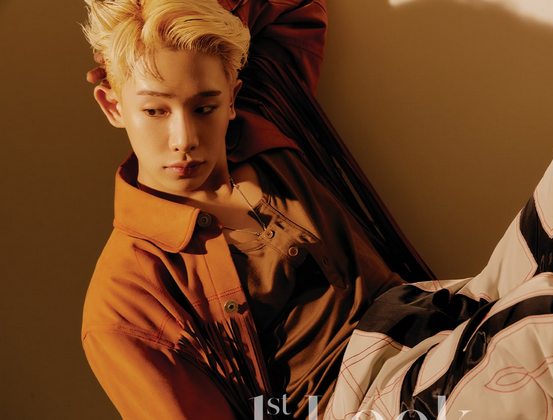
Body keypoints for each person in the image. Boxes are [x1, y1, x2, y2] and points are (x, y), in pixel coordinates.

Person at [80, 0, 404, 418]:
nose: (184, 138)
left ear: (232, 98)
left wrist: (162, 14)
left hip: (444, 337)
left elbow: (296, 8)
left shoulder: (265, 122)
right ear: (112, 106)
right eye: (154, 110)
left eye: (204, 108)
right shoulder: (123, 302)